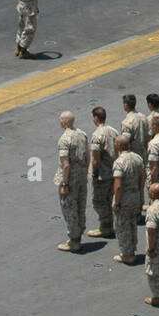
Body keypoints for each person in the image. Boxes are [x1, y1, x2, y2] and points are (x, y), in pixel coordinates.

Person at [55, 111, 89, 253]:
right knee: (81, 206)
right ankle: (79, 234)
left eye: (61, 120)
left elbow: (66, 165)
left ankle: (74, 241)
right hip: (81, 176)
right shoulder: (82, 134)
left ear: (65, 122)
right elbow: (88, 156)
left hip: (71, 178)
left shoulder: (64, 139)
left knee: (70, 208)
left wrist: (65, 184)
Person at [110, 134, 145, 265]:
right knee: (132, 224)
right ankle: (132, 248)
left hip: (124, 197)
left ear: (119, 146)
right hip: (135, 194)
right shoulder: (137, 158)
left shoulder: (119, 162)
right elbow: (143, 177)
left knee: (122, 226)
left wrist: (117, 202)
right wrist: (140, 193)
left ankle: (127, 254)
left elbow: (118, 185)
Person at [88, 106, 119, 239]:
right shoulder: (114, 131)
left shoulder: (97, 135)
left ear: (96, 118)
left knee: (99, 201)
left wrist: (94, 174)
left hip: (102, 174)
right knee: (109, 199)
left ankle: (105, 227)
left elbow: (96, 159)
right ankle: (109, 223)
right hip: (114, 171)